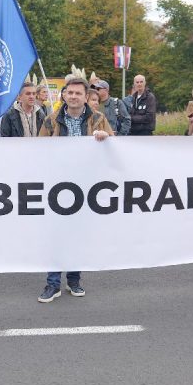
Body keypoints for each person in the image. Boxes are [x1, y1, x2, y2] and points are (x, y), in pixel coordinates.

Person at [37, 77, 113, 302]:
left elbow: (114, 144)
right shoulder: (51, 120)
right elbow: (38, 151)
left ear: (85, 96)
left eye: (78, 93)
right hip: (57, 185)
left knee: (78, 234)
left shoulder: (98, 119)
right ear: (64, 95)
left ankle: (74, 279)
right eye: (69, 93)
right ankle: (53, 283)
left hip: (86, 184)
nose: (73, 96)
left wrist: (104, 137)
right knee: (55, 234)